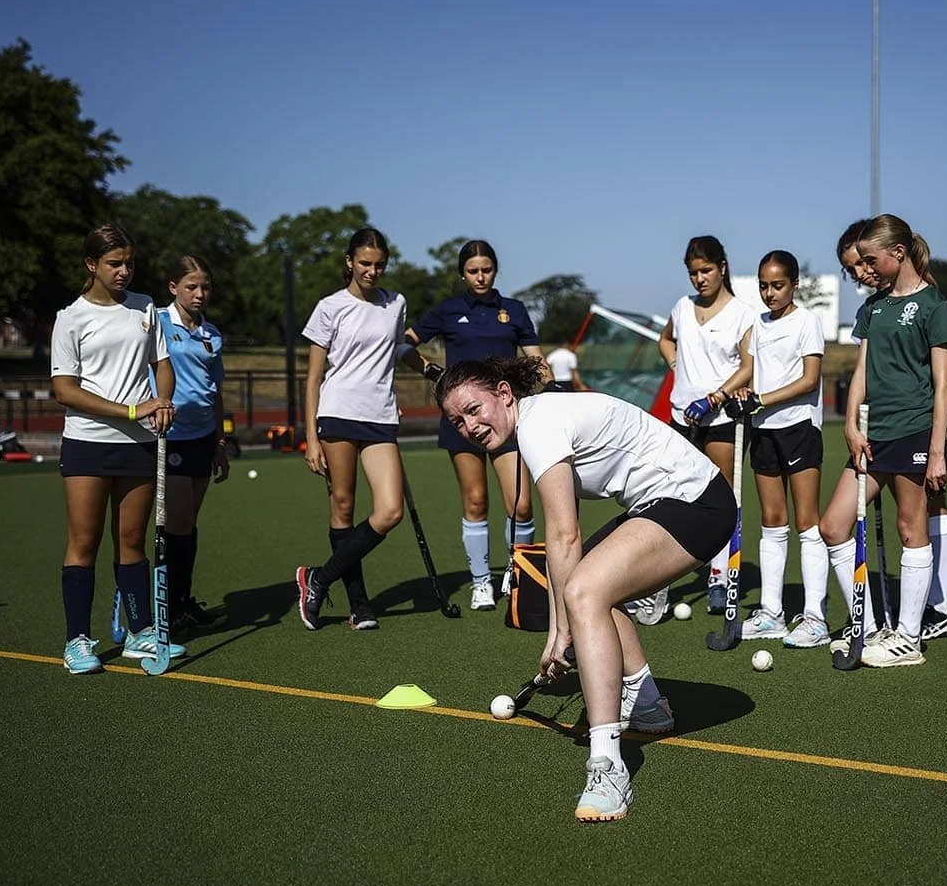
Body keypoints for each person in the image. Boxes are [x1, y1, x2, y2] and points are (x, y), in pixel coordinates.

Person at [435, 356, 735, 822]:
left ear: (504, 393)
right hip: (664, 503)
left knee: (585, 592)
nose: (469, 426)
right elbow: (564, 546)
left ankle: (607, 763)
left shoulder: (539, 426)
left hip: (696, 502)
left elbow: (563, 535)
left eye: (475, 409)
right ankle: (648, 702)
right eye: (458, 421)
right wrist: (563, 628)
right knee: (590, 585)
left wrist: (560, 634)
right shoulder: (538, 421)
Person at [823, 215, 947, 668]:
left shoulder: (935, 305)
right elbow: (861, 370)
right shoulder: (874, 308)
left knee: (909, 528)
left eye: (870, 259)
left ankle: (908, 637)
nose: (865, 269)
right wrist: (849, 424)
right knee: (833, 526)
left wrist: (937, 450)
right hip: (873, 433)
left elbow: (943, 386)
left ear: (897, 253)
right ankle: (867, 622)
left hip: (915, 428)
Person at [50, 224, 185, 674]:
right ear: (92, 265)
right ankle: (77, 641)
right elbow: (65, 390)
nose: (124, 271)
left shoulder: (146, 308)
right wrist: (131, 410)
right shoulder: (70, 317)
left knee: (131, 542)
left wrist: (162, 401)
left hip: (141, 445)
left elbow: (161, 364)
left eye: (129, 262)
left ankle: (140, 632)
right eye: (114, 263)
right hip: (89, 442)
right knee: (84, 542)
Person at [296, 226, 432, 630]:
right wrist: (311, 438)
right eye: (365, 264)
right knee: (342, 507)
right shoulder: (329, 307)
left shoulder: (396, 304)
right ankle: (359, 605)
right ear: (349, 263)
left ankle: (318, 578)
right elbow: (313, 377)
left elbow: (398, 348)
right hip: (337, 413)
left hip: (381, 416)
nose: (372, 271)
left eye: (379, 265)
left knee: (389, 511)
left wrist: (428, 368)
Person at [405, 241, 544, 611]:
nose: (480, 277)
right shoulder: (449, 311)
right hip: (461, 421)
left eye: (486, 269)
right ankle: (480, 583)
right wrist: (434, 372)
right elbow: (403, 345)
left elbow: (537, 361)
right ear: (462, 274)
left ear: (495, 270)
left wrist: (547, 385)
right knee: (476, 501)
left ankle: (518, 574)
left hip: (505, 419)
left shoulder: (512, 311)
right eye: (472, 271)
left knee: (522, 505)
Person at [725, 251, 830, 648]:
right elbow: (751, 371)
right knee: (771, 521)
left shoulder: (808, 322)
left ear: (795, 284)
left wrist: (762, 399)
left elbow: (809, 380)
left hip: (799, 428)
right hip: (764, 430)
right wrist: (743, 394)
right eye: (764, 286)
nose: (770, 293)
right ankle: (772, 613)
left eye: (778, 285)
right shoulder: (758, 324)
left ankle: (816, 619)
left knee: (807, 523)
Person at [657, 235, 755, 615]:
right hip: (682, 415)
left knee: (721, 498)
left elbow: (747, 366)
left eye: (706, 271)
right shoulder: (682, 307)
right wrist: (675, 364)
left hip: (722, 418)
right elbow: (665, 340)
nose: (699, 279)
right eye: (693, 273)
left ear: (722, 268)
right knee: (675, 497)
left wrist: (715, 397)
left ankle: (719, 576)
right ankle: (661, 575)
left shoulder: (742, 313)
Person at [155, 255, 230, 632]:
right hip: (172, 436)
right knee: (179, 523)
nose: (200, 294)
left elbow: (215, 391)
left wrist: (220, 440)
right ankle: (166, 605)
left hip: (203, 436)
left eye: (205, 287)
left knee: (188, 524)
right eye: (191, 287)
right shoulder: (156, 323)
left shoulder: (211, 333)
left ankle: (182, 602)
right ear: (173, 288)